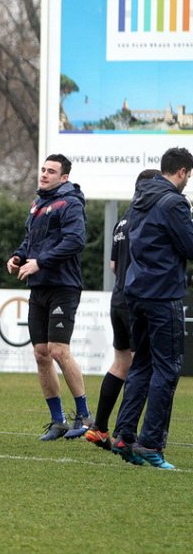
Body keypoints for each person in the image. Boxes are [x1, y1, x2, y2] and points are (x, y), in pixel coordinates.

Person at [111, 148, 193, 470]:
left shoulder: (141, 198)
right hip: (163, 295)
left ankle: (124, 435)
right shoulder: (174, 202)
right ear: (183, 172)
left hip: (136, 292)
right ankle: (150, 444)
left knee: (142, 364)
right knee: (167, 368)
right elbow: (189, 246)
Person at [7, 154, 90, 441]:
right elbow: (30, 240)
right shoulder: (38, 203)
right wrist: (19, 255)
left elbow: (75, 241)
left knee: (58, 350)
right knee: (41, 354)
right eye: (42, 169)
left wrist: (39, 262)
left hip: (63, 286)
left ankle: (84, 415)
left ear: (64, 177)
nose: (44, 174)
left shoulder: (70, 202)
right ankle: (58, 421)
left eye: (51, 171)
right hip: (39, 287)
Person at [85, 169, 160, 450]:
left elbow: (114, 266)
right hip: (137, 301)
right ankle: (125, 433)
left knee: (121, 363)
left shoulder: (122, 221)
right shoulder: (149, 219)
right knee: (142, 367)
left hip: (117, 300)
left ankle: (100, 428)